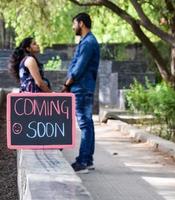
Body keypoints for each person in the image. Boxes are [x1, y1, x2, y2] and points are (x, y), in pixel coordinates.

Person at [61, 13, 100, 173]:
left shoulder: (89, 42)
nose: (73, 27)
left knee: (84, 124)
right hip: (82, 87)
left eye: (74, 23)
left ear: (81, 23)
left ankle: (82, 162)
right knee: (87, 124)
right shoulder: (87, 41)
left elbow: (79, 67)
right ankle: (88, 160)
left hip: (81, 88)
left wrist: (67, 83)